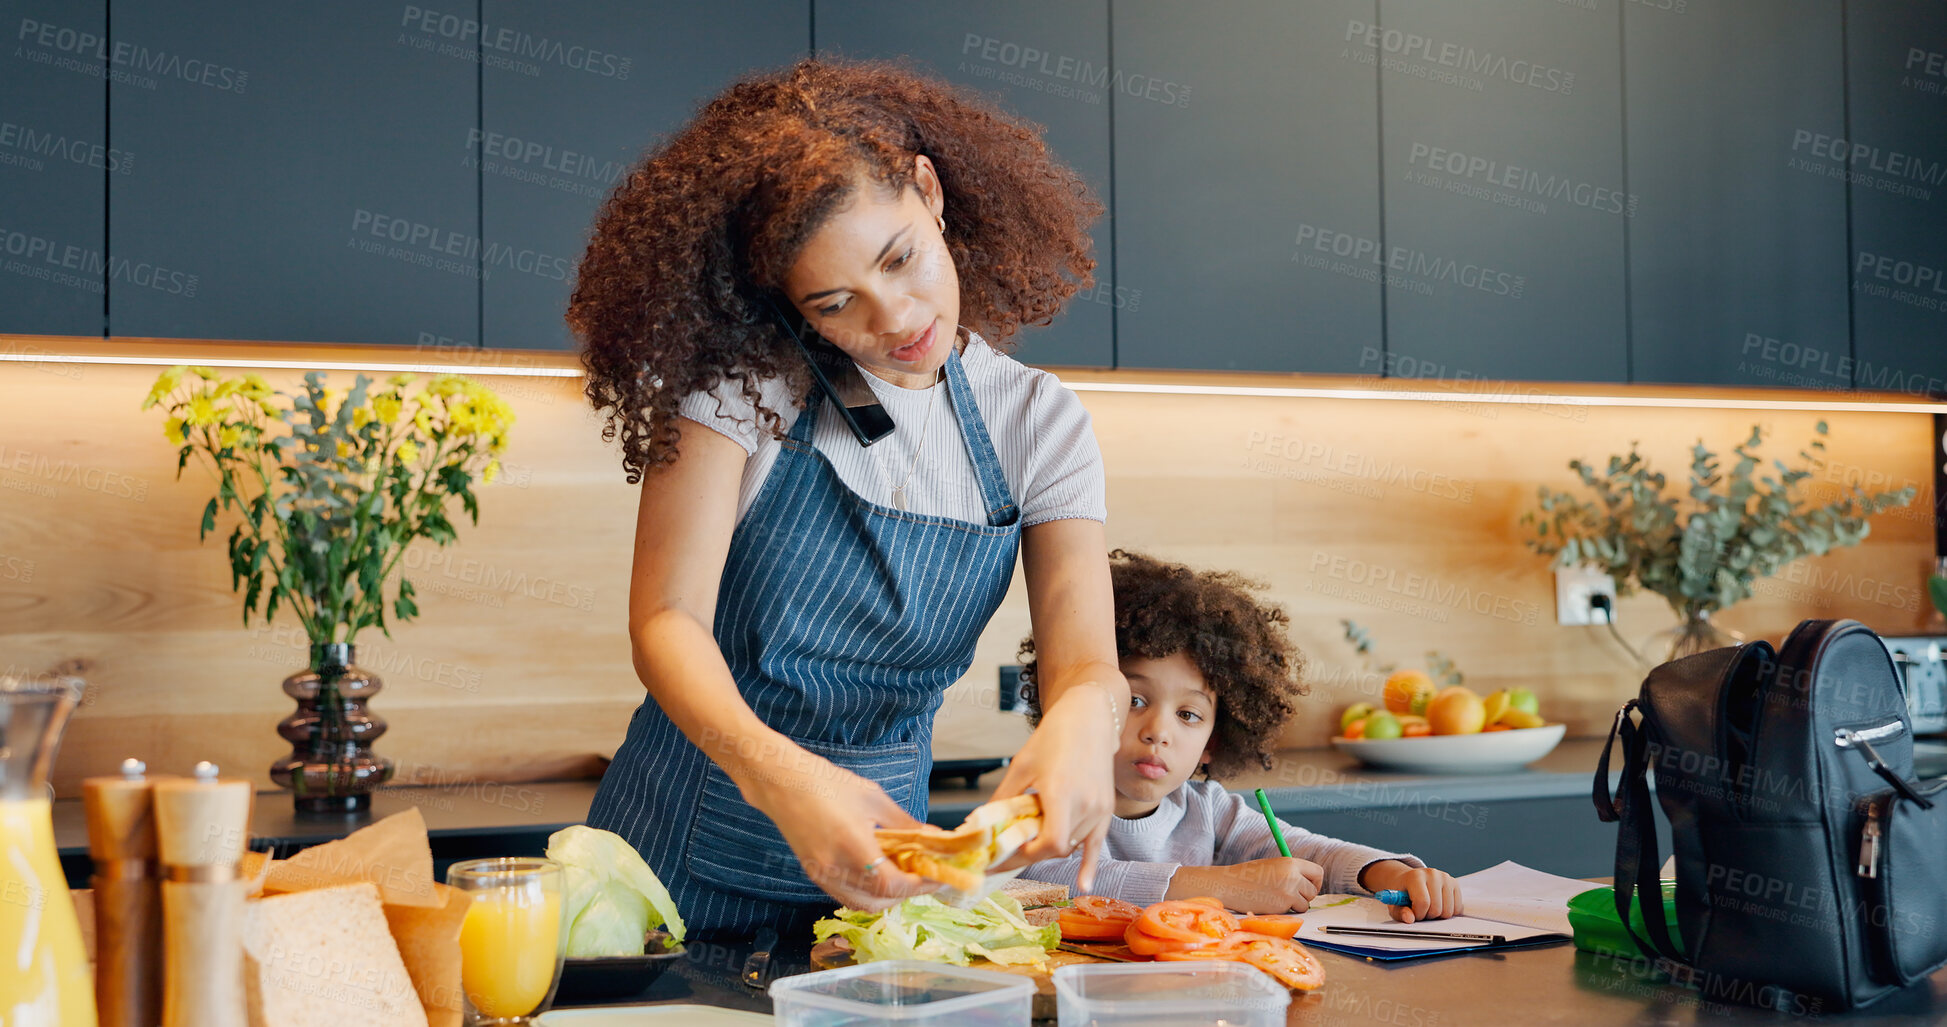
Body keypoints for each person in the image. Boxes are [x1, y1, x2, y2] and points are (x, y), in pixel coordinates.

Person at [568, 58, 1130, 940]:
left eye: (901, 258)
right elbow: (665, 620)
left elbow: (1086, 663)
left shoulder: (1037, 421)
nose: (897, 319)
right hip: (668, 866)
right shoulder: (743, 393)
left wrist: (1083, 726)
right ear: (787, 304)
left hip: (886, 886)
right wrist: (782, 777)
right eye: (836, 303)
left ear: (929, 190)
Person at [1018, 551, 1464, 922]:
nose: (1157, 732)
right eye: (1135, 700)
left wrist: (1386, 873)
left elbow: (1311, 852)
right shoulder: (1041, 803)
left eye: (1189, 714)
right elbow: (1044, 879)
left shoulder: (1209, 809)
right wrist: (1220, 885)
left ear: (1212, 743)